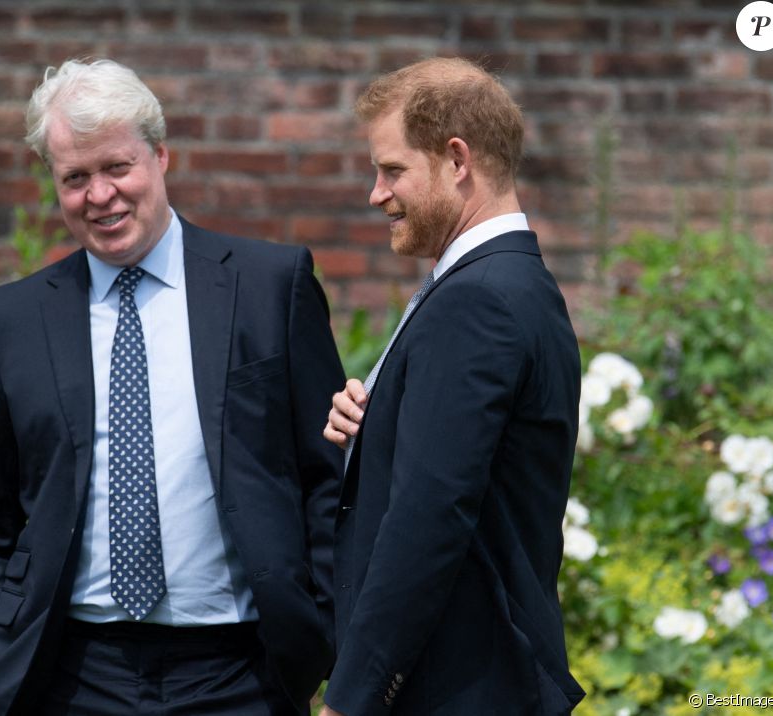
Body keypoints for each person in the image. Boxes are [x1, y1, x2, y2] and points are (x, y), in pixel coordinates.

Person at [0, 58, 345, 716]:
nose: (99, 196)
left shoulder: (270, 287)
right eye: (75, 178)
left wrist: (323, 638)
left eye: (116, 167)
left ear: (161, 156)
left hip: (240, 676)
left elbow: (329, 480)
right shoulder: (14, 319)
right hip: (71, 677)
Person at [320, 57, 585, 715]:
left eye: (392, 170)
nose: (375, 194)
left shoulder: (478, 302)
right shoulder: (512, 285)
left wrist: (352, 699)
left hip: (457, 689)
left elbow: (429, 515)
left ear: (457, 160)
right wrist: (373, 424)